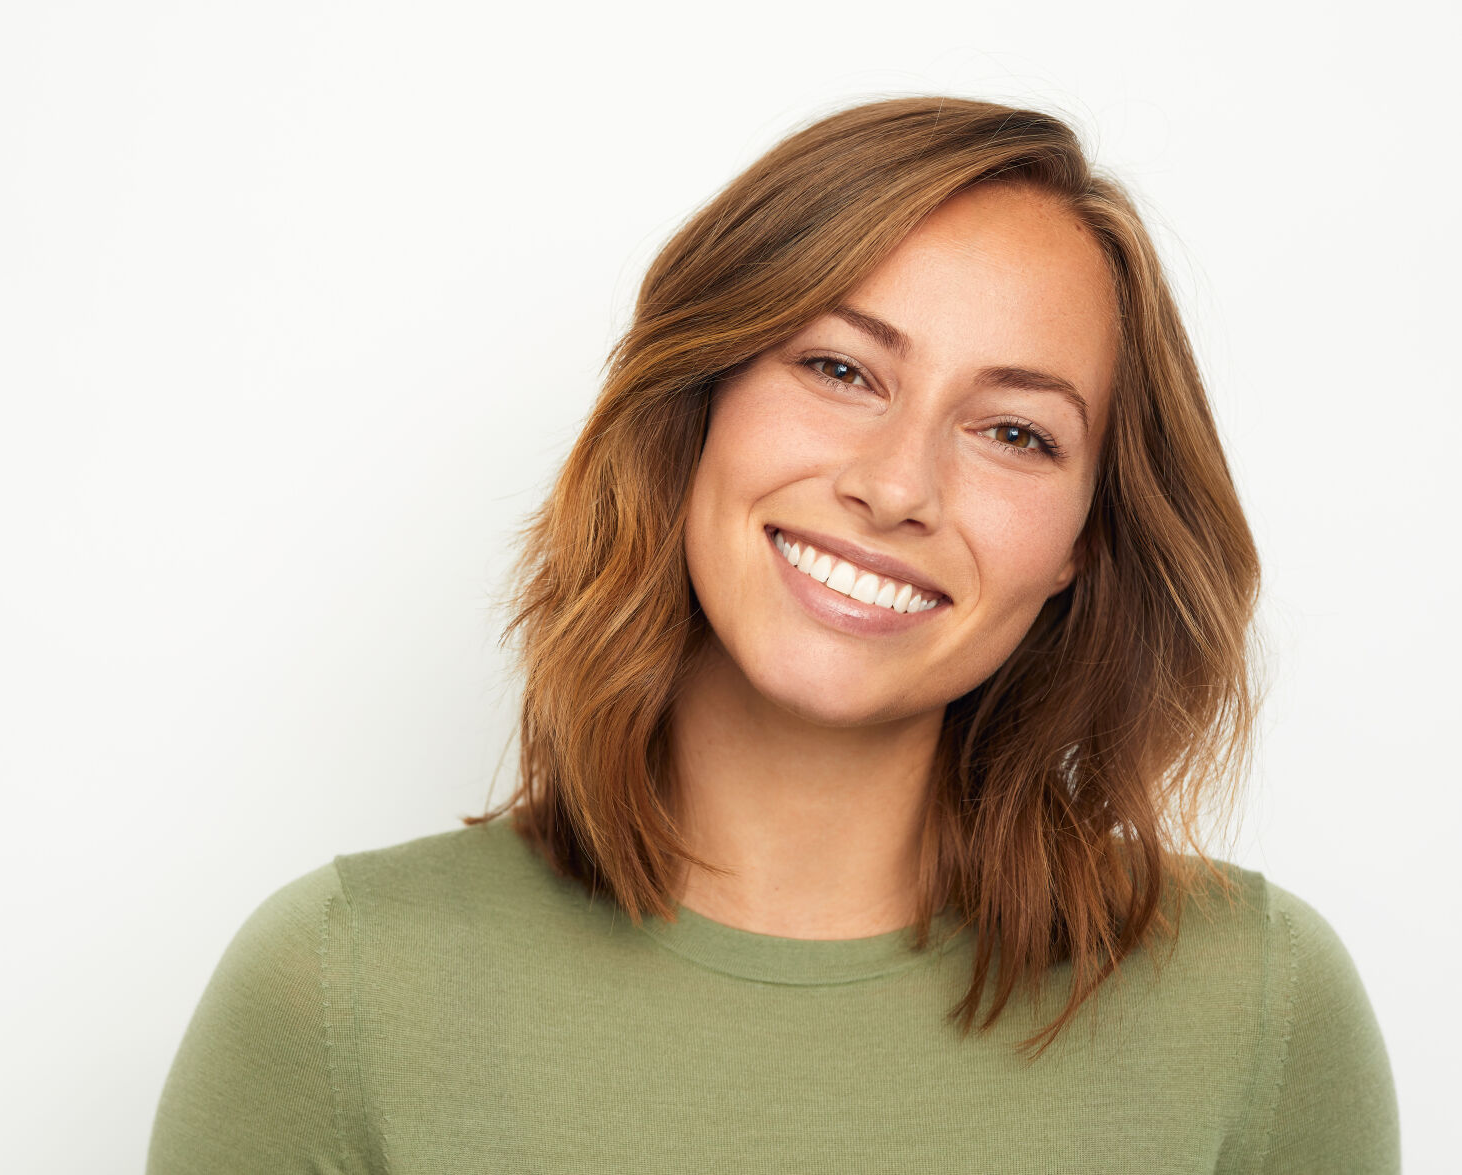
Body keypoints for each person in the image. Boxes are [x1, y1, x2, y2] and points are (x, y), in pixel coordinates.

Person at [145, 96, 1399, 1173]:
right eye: (838, 369)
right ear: (695, 402)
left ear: (1084, 538)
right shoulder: (341, 988)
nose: (896, 485)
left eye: (1014, 430)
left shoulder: (1257, 1011)